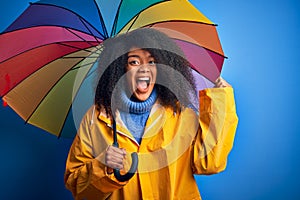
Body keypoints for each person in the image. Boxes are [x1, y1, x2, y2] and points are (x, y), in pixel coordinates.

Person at [64, 28, 238, 200]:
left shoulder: (180, 113)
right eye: (134, 62)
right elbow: (78, 187)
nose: (144, 70)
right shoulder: (96, 118)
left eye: (152, 62)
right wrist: (103, 165)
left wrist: (221, 103)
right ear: (120, 69)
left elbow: (209, 164)